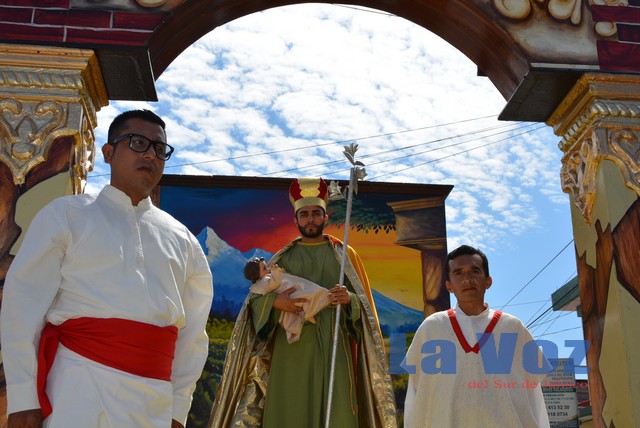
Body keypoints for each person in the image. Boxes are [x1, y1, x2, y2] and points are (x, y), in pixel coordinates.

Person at [1, 109, 213, 428]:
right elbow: (23, 304)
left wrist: (178, 409)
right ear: (108, 152)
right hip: (76, 387)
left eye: (159, 149)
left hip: (154, 402)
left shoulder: (184, 240)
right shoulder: (66, 215)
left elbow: (193, 335)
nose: (150, 155)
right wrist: (23, 397)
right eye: (138, 143)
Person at [210, 177, 397, 428]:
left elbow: (365, 311)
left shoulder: (344, 255)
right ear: (296, 220)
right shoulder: (282, 259)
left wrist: (349, 299)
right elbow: (254, 302)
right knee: (290, 413)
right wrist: (275, 302)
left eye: (316, 214)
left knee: (336, 412)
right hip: (290, 351)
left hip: (333, 348)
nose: (310, 219)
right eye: (305, 214)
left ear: (325, 218)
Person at [403, 245, 550, 427]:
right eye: (458, 273)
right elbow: (416, 394)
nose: (467, 279)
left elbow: (533, 396)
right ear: (449, 285)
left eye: (475, 271)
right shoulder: (431, 328)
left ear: (488, 281)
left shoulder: (513, 328)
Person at [243, 256, 330, 343]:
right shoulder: (265, 280)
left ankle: (309, 313)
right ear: (257, 276)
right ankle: (314, 306)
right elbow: (274, 284)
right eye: (265, 268)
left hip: (286, 296)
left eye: (267, 267)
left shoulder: (259, 285)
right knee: (305, 295)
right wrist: (275, 271)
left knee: (297, 310)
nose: (268, 269)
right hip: (287, 296)